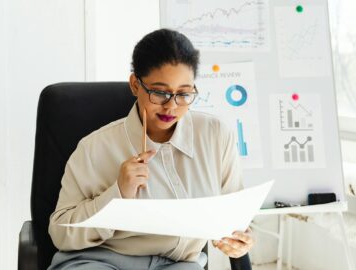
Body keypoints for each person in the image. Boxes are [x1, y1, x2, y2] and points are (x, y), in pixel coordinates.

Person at [47, 28, 254, 270]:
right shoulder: (94, 147)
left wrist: (239, 240)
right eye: (159, 92)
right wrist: (118, 195)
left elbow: (235, 219)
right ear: (135, 84)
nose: (171, 106)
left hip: (177, 264)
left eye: (184, 94)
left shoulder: (215, 136)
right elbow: (60, 233)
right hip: (100, 261)